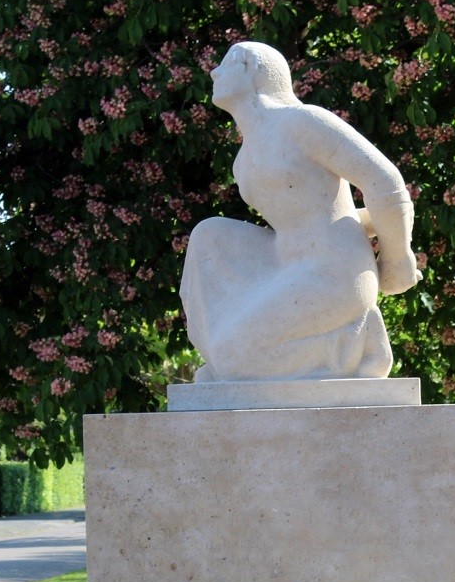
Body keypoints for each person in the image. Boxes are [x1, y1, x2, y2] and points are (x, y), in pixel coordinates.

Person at [180, 41, 420, 383]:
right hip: (286, 262)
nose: (214, 72)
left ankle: (353, 345)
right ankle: (226, 361)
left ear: (252, 70)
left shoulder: (301, 122)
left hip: (333, 270)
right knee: (208, 235)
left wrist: (398, 259)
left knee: (234, 359)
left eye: (227, 63)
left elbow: (384, 182)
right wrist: (366, 224)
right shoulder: (243, 160)